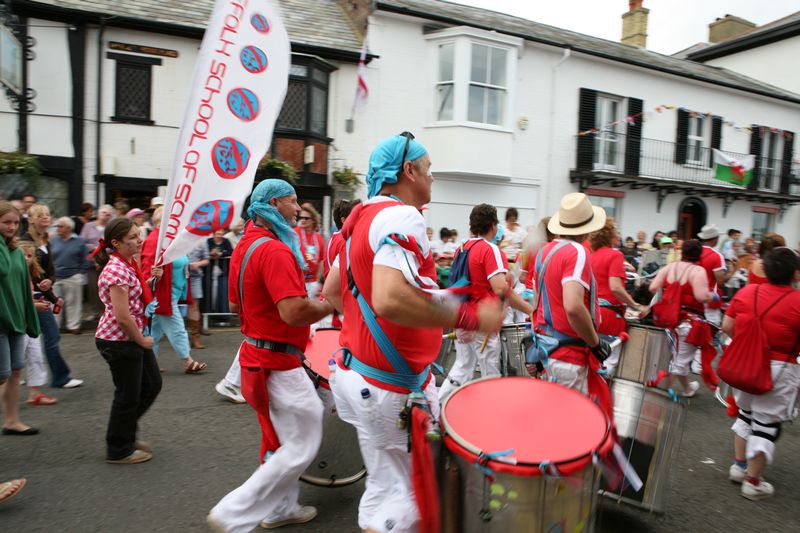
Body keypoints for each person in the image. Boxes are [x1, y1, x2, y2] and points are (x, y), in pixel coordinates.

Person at [322, 133, 503, 533]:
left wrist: (372, 326)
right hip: (392, 388)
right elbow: (388, 298)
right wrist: (471, 317)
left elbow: (334, 291)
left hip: (356, 375)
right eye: (429, 168)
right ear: (408, 171)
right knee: (421, 492)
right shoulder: (403, 216)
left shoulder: (360, 218)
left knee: (384, 484)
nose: (433, 177)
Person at [208, 180, 335, 533]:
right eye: (293, 202)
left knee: (278, 439)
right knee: (305, 438)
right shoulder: (275, 251)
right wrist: (330, 304)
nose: (298, 210)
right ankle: (234, 511)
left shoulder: (245, 244)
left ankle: (282, 508)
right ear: (275, 203)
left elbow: (235, 305)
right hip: (276, 362)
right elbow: (293, 312)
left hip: (255, 358)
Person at [723, 247, 800, 500]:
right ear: (795, 274)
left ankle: (739, 467)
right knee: (766, 424)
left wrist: (749, 345)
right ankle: (752, 482)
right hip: (780, 368)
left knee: (746, 414)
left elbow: (727, 326)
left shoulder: (746, 291)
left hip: (744, 362)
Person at [439, 203, 533, 400]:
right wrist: (527, 308)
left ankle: (438, 409)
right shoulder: (489, 250)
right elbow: (500, 288)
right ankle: (491, 417)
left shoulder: (462, 248)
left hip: (463, 317)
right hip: (484, 319)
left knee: (463, 368)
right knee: (490, 372)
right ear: (493, 225)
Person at [531, 193, 611, 407]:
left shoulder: (543, 253)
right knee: (570, 430)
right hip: (568, 355)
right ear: (586, 227)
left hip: (547, 351)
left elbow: (536, 305)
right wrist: (596, 343)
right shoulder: (577, 251)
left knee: (551, 423)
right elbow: (573, 306)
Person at [94, 217, 162, 464]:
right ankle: (118, 447)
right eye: (132, 237)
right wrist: (142, 340)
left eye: (138, 234)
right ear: (116, 243)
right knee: (128, 394)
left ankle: (125, 433)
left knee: (151, 385)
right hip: (119, 341)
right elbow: (122, 316)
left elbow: (136, 299)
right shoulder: (115, 270)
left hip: (131, 337)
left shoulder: (128, 264)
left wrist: (153, 279)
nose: (139, 240)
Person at [140, 207, 207, 374]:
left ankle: (149, 364)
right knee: (177, 328)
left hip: (170, 293)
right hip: (163, 294)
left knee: (154, 330)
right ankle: (187, 361)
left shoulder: (167, 240)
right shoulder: (155, 240)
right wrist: (154, 277)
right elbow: (147, 270)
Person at [22, 205, 82, 389]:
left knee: (26, 339)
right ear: (31, 220)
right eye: (40, 215)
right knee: (51, 336)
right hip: (30, 297)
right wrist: (44, 285)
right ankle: (60, 377)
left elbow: (50, 272)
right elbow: (24, 271)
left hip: (42, 295)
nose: (46, 218)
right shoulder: (25, 241)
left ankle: (12, 374)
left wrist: (52, 293)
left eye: (48, 214)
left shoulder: (46, 240)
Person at [648, 240, 716, 396]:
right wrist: (712, 296)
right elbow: (700, 297)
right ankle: (659, 392)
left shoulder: (669, 267)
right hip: (688, 323)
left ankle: (687, 388)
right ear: (699, 254)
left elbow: (652, 287)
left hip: (668, 320)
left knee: (679, 358)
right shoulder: (698, 271)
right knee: (679, 361)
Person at [0, 202, 42, 435]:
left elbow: (24, 288)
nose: (12, 227)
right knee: (1, 375)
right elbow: (2, 269)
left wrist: (29, 318)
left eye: (16, 222)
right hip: (0, 322)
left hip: (16, 320)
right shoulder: (6, 252)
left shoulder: (16, 251)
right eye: (6, 222)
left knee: (16, 371)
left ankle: (11, 421)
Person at [588, 218, 649, 377]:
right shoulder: (615, 255)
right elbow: (615, 287)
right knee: (608, 364)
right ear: (609, 234)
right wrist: (636, 305)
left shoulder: (591, 256)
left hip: (592, 315)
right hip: (609, 317)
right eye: (616, 231)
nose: (619, 234)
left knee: (593, 362)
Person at [17, 241, 57, 406]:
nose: (26, 259)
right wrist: (35, 305)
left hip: (29, 323)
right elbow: (16, 301)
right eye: (23, 255)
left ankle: (35, 393)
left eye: (30, 255)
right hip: (17, 324)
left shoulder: (31, 275)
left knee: (36, 356)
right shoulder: (14, 275)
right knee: (14, 363)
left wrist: (44, 297)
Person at [51, 217, 90, 334]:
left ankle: (73, 326)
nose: (58, 228)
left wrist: (80, 273)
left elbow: (85, 259)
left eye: (61, 226)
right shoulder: (53, 240)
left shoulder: (79, 241)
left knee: (74, 302)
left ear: (69, 228)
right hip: (55, 276)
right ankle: (55, 326)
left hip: (73, 276)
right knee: (55, 303)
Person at [81, 204, 114, 321]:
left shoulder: (110, 228)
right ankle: (94, 311)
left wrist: (104, 248)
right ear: (98, 213)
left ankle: (105, 312)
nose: (106, 216)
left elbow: (113, 245)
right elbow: (81, 242)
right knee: (92, 288)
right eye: (104, 213)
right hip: (91, 263)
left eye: (108, 214)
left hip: (105, 263)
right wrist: (96, 247)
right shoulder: (88, 226)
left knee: (105, 288)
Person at [294, 202, 325, 302]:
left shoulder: (318, 238)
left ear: (313, 220)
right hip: (297, 281)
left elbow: (321, 260)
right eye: (301, 217)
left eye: (306, 218)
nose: (302, 220)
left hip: (313, 283)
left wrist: (318, 281)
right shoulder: (294, 234)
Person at [186, 240, 210, 349]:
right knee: (173, 305)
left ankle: (195, 338)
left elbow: (206, 259)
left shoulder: (201, 240)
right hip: (176, 276)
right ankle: (178, 338)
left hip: (195, 277)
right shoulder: (177, 236)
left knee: (194, 306)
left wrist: (197, 264)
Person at [207, 229, 234, 314]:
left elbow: (231, 252)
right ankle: (210, 312)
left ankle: (224, 313)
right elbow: (206, 252)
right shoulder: (209, 241)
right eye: (217, 233)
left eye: (221, 233)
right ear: (214, 234)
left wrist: (221, 254)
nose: (219, 235)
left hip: (223, 271)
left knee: (223, 292)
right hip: (209, 271)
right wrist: (211, 254)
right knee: (209, 293)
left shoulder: (226, 241)